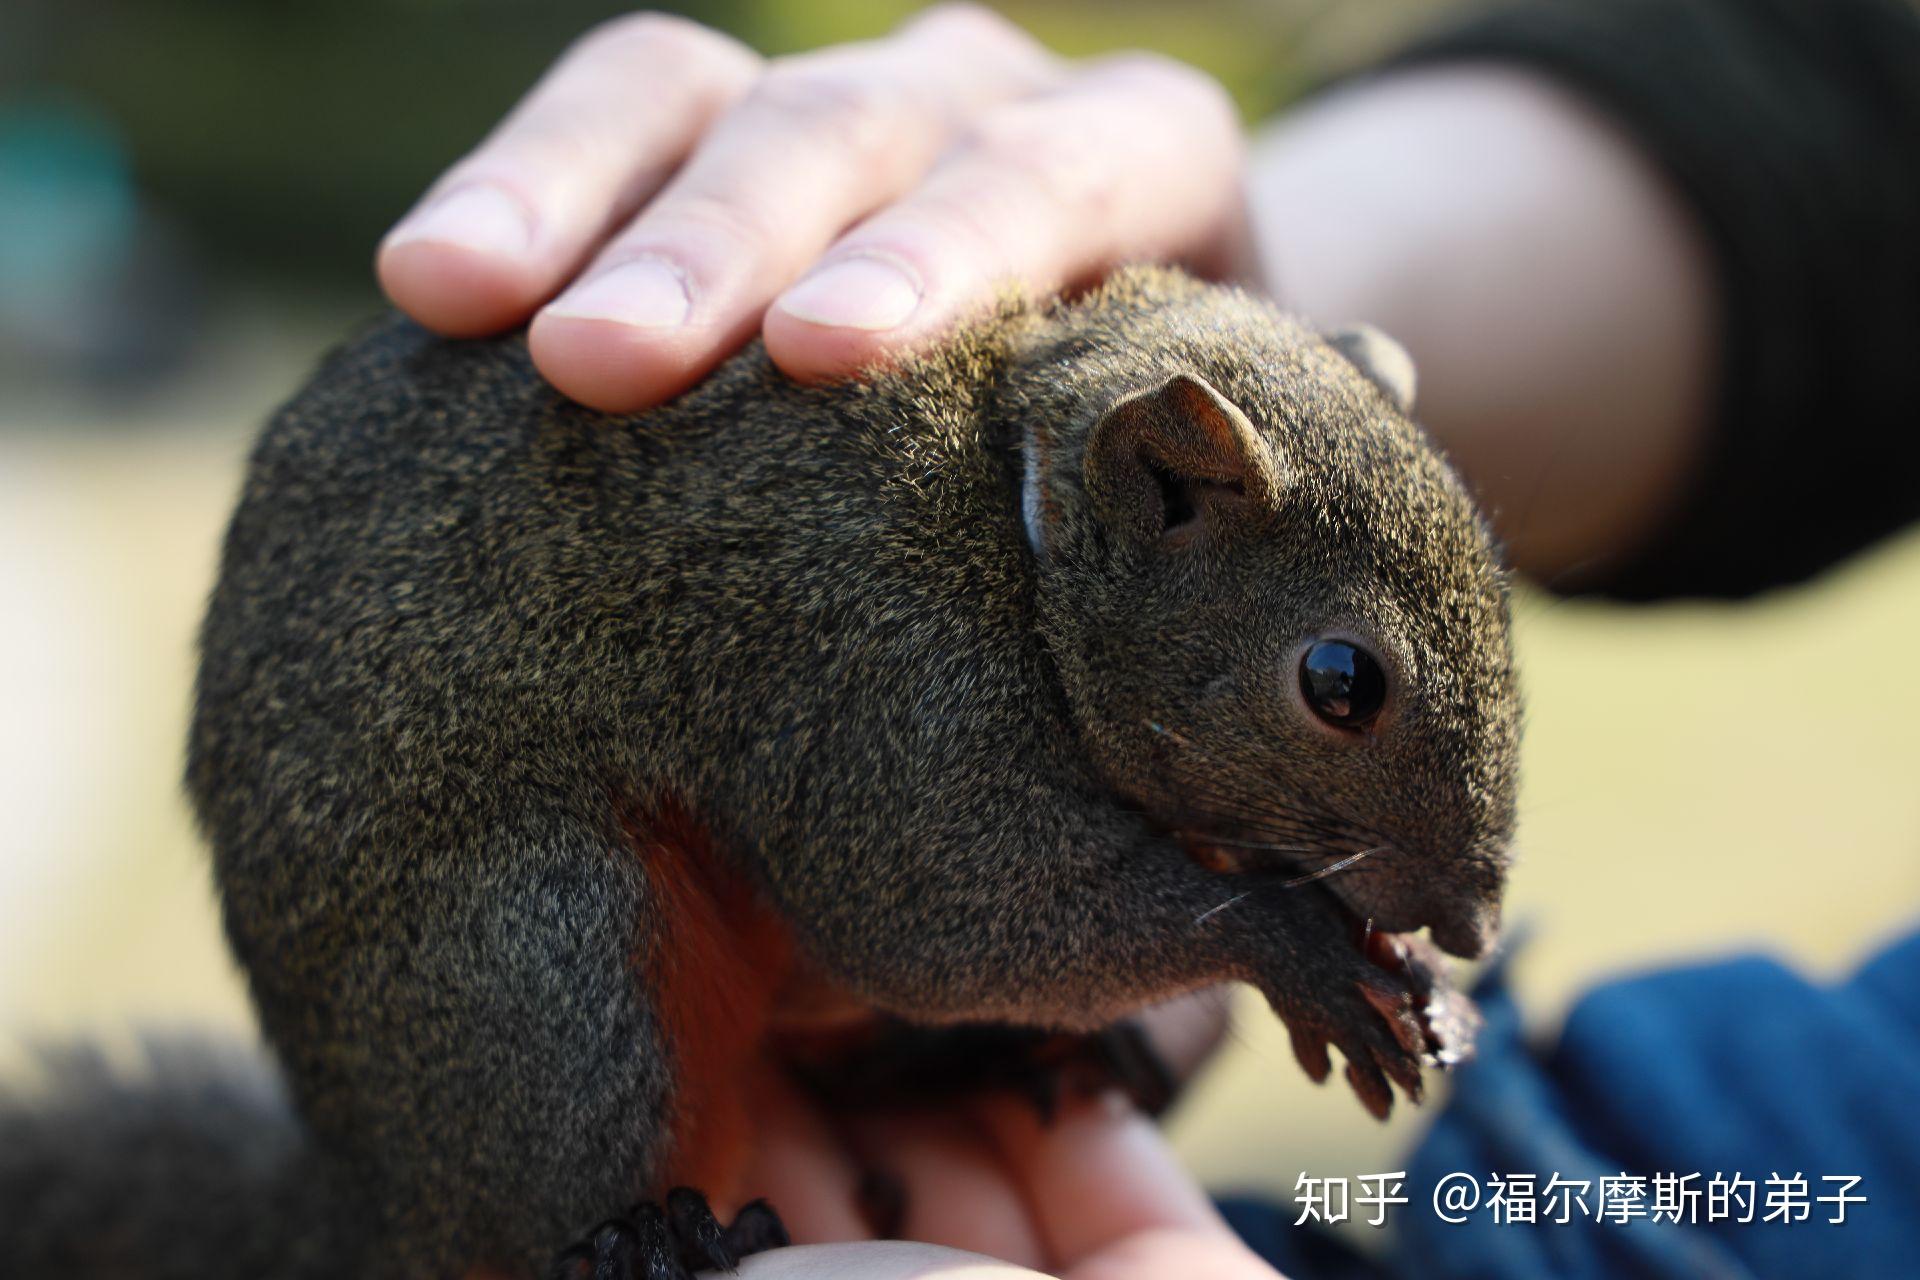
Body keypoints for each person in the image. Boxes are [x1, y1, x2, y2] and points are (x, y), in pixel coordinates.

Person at [376, 2, 1920, 1276]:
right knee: (581, 922)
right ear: (1167, 489)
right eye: (1341, 688)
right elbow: (923, 917)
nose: (1457, 923)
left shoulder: (1093, 598)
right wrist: (1248, 932)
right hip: (538, 892)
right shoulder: (928, 593)